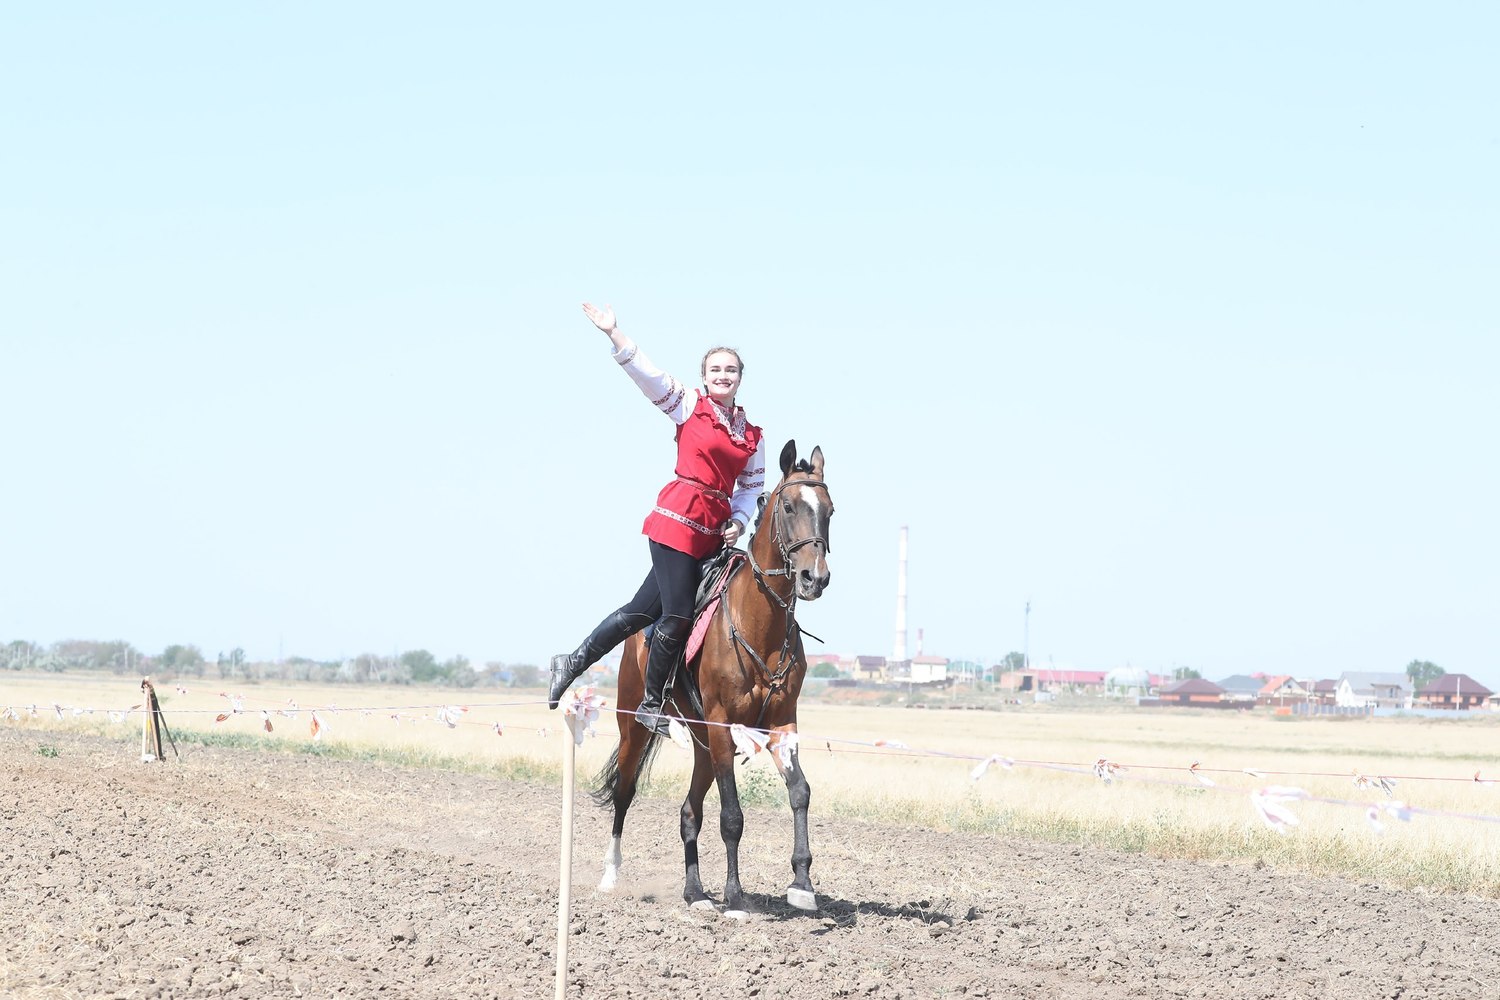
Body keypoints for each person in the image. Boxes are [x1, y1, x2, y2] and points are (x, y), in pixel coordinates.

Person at [548, 302, 766, 734]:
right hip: (677, 520)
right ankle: (652, 703)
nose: (723, 375)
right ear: (705, 376)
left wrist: (739, 522)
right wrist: (615, 334)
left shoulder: (753, 435)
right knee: (678, 614)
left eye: (731, 370)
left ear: (741, 378)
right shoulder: (688, 405)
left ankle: (570, 661)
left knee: (639, 613)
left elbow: (752, 488)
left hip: (715, 532)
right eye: (716, 369)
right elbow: (648, 376)